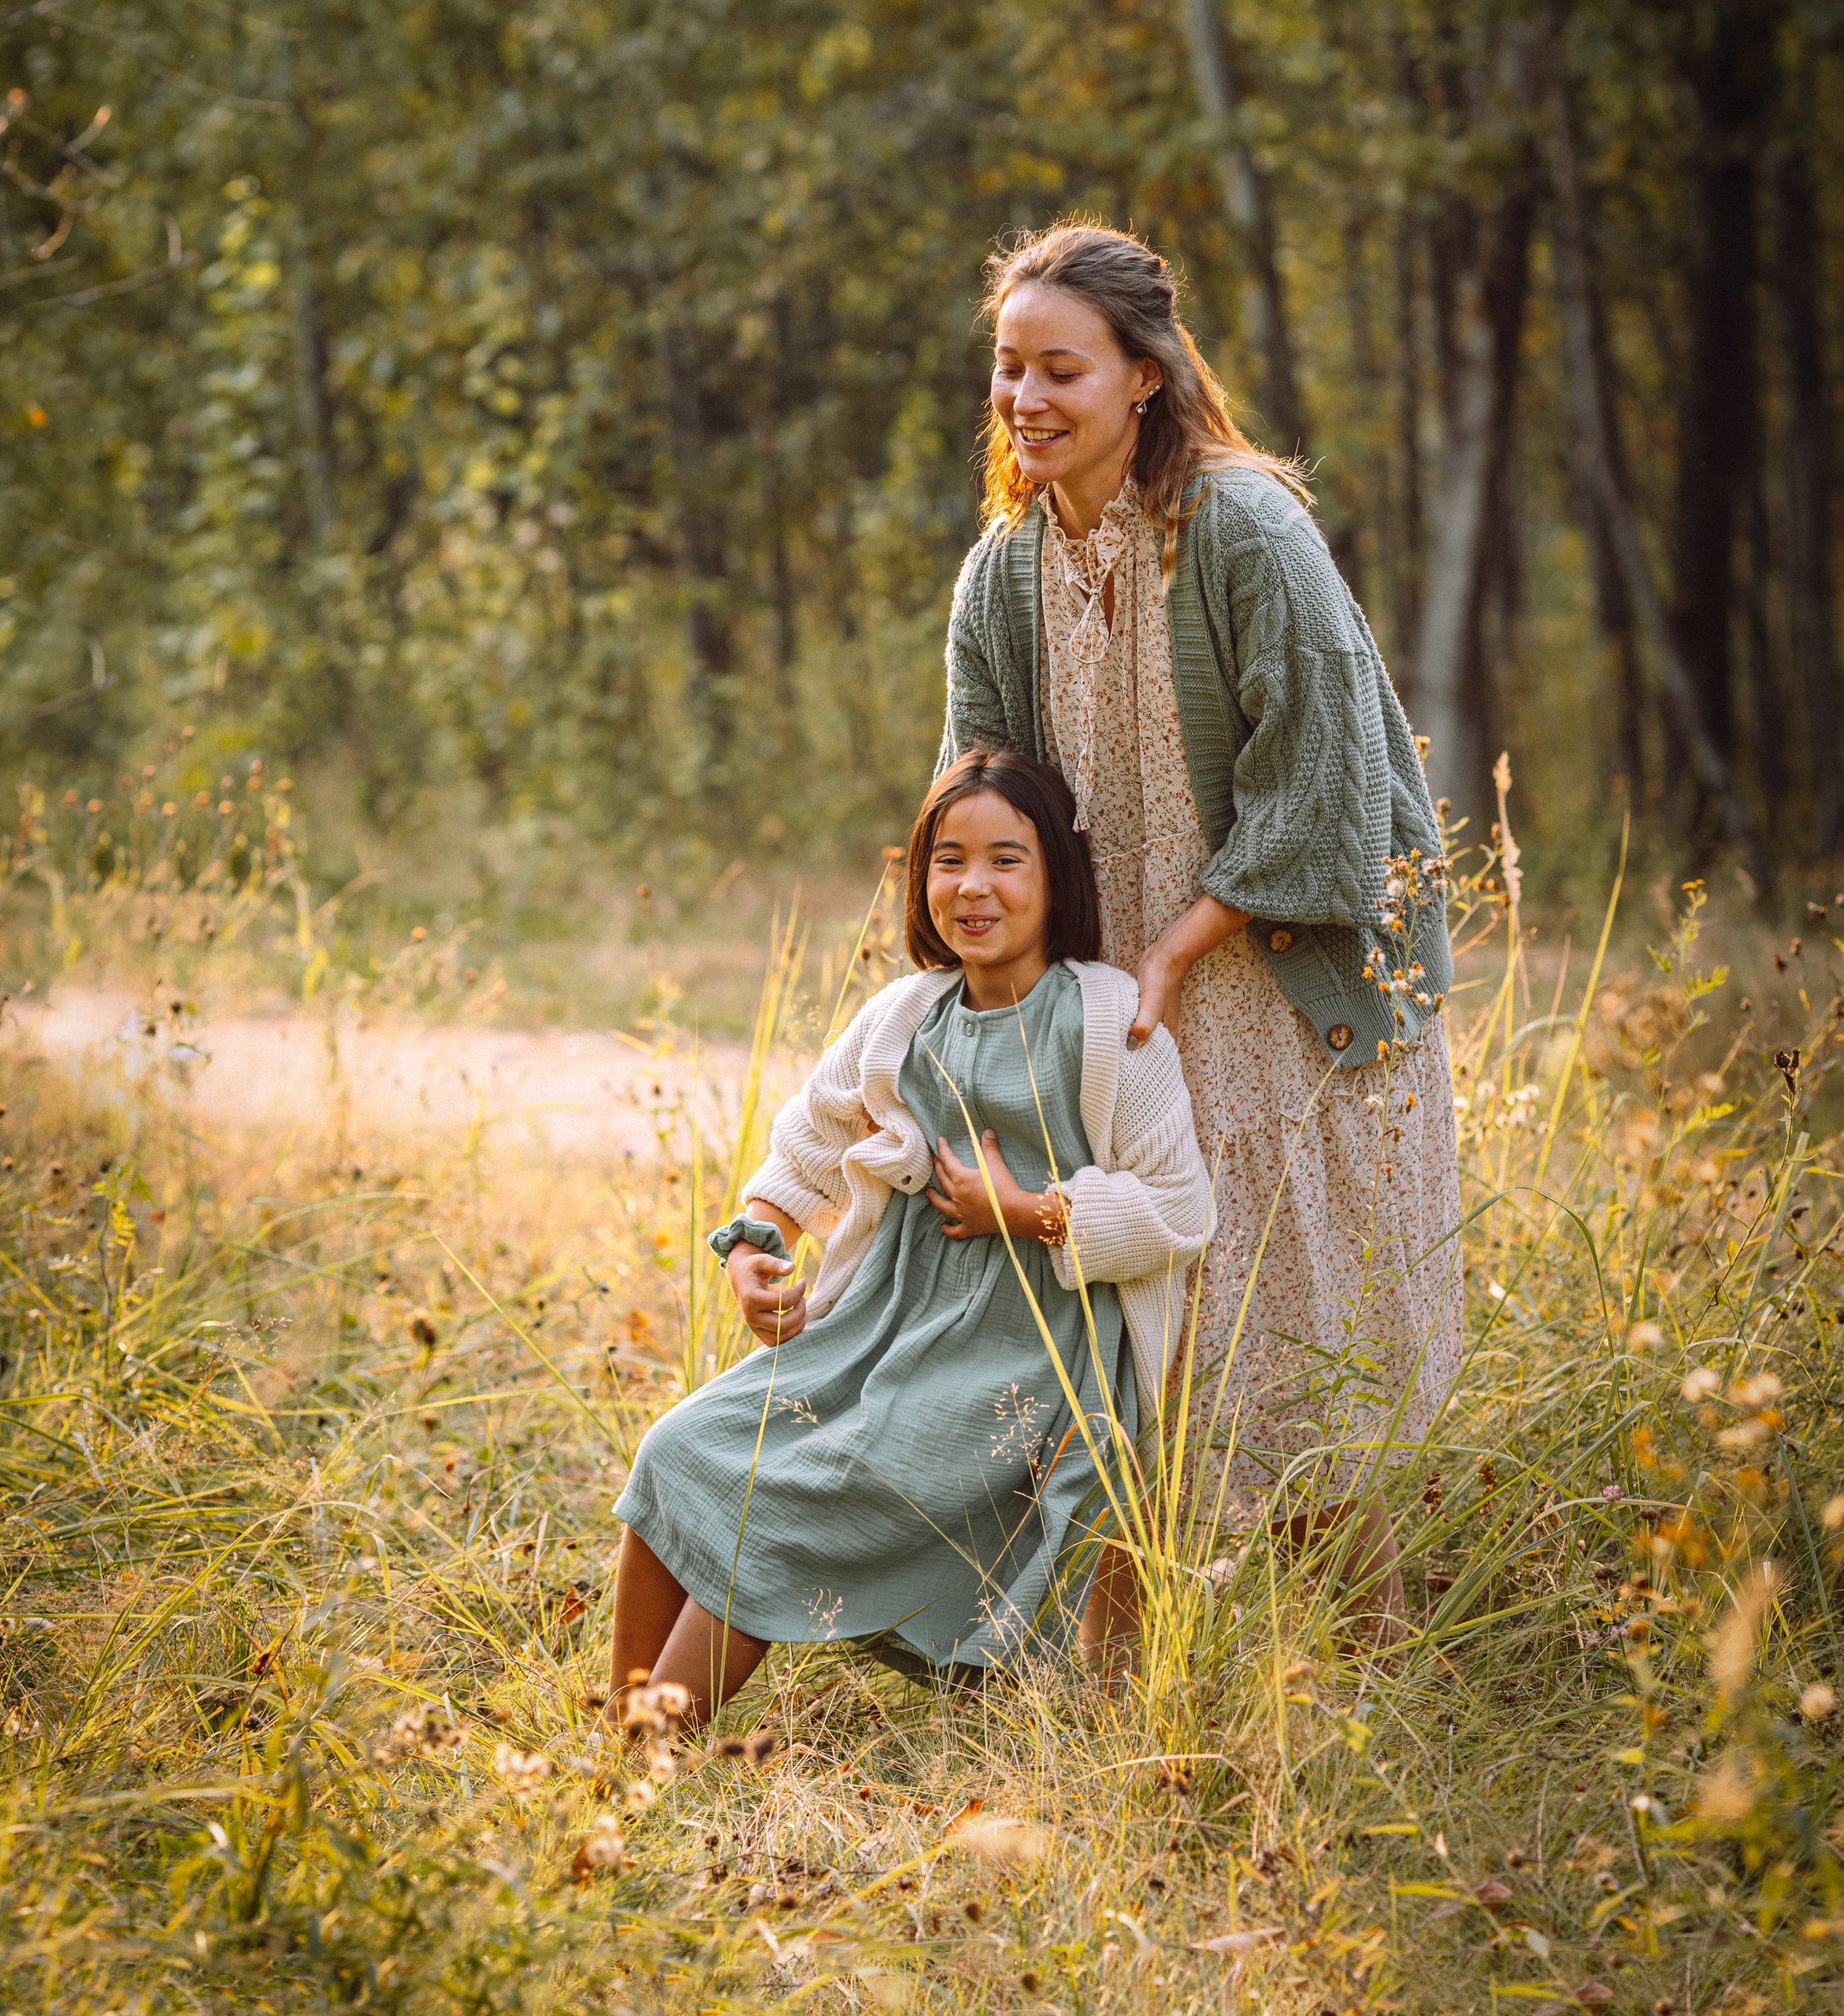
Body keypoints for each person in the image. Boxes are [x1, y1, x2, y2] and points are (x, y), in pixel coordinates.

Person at [940, 220, 1463, 1636]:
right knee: (1125, 1334)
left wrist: (1173, 949)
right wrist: (994, 985)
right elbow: (979, 793)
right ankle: (1113, 1680)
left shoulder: (1241, 527)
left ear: (1145, 377)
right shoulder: (1003, 570)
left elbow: (1329, 783)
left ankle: (1377, 1657)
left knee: (1294, 1330)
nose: (1027, 399)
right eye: (1009, 369)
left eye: (1061, 369)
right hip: (1117, 996)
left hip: (1276, 981)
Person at [608, 747, 1215, 1728]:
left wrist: (1023, 1211)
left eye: (1006, 859)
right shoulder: (903, 1016)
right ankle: (619, 1730)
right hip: (886, 1320)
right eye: (948, 858)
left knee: (790, 1501)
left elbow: (1179, 1211)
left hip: (1021, 1352)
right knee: (679, 1446)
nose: (973, 885)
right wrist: (754, 1246)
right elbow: (809, 1143)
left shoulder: (1111, 1025)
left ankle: (652, 1751)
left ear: (1056, 875)